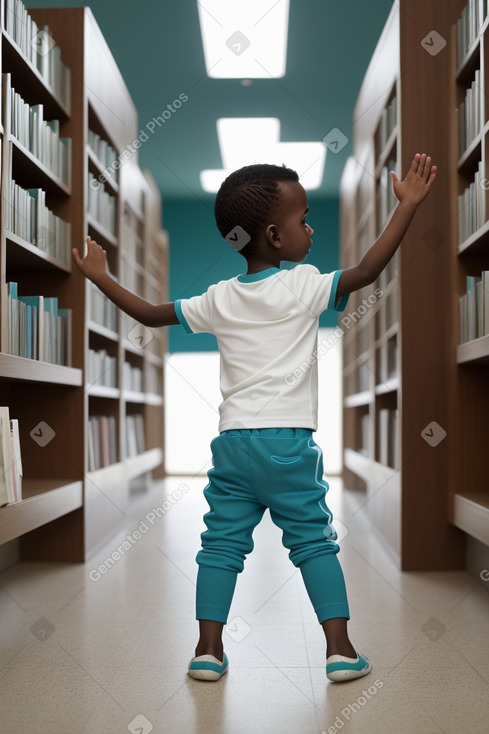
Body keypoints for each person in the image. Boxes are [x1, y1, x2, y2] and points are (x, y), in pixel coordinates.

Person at [72, 152, 437, 683]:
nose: (310, 229)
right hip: (288, 445)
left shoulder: (219, 297)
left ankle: (207, 650)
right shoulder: (304, 284)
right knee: (313, 542)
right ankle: (340, 651)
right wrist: (405, 208)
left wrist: (100, 277)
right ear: (273, 234)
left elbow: (151, 314)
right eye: (303, 220)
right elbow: (368, 270)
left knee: (220, 546)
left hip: (232, 446)